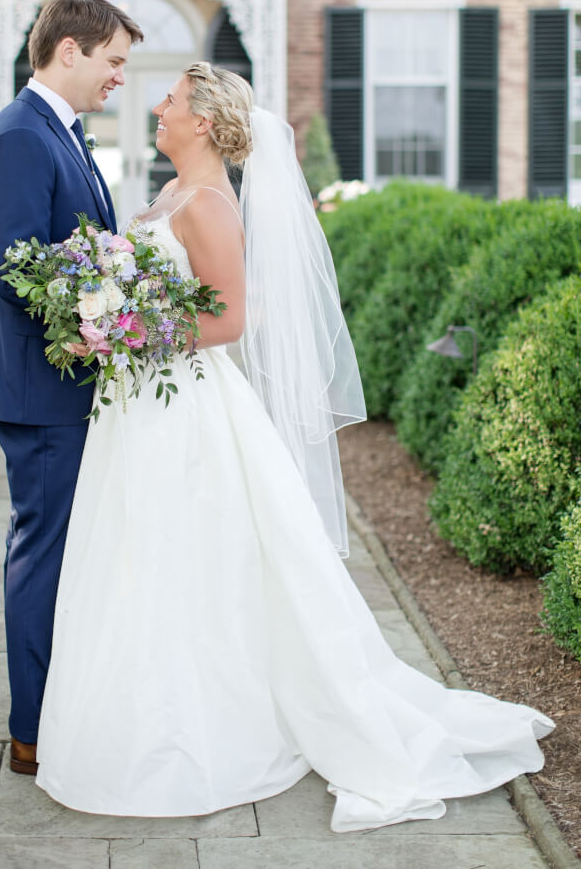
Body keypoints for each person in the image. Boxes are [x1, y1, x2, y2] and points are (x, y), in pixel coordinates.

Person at [33, 60, 553, 832]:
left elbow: (233, 320)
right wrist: (113, 319)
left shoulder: (209, 204)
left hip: (183, 410)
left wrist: (122, 331)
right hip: (138, 405)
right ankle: (131, 720)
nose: (157, 109)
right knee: (134, 556)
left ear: (202, 122)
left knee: (185, 558)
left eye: (170, 102)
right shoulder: (171, 194)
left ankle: (205, 728)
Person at [0, 0, 143, 775]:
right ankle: (32, 731)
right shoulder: (17, 137)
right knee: (44, 553)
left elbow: (80, 248)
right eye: (112, 61)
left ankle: (63, 707)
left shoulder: (65, 134)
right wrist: (103, 313)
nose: (118, 77)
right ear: (68, 50)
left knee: (71, 552)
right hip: (42, 388)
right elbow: (14, 270)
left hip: (71, 380)